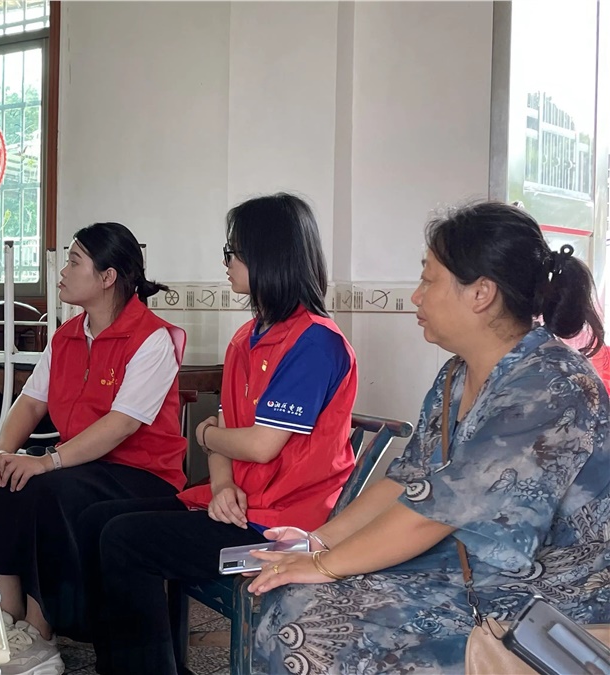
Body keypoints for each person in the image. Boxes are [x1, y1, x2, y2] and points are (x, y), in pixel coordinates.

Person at [246, 201, 610, 674]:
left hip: (552, 593)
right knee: (294, 598)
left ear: (481, 293)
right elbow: (409, 479)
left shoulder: (550, 384)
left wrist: (323, 566)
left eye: (429, 280)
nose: (416, 297)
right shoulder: (455, 376)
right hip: (470, 565)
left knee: (310, 619)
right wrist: (318, 543)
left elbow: (437, 513)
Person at [82, 193, 358, 675]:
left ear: (269, 256)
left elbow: (259, 444)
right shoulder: (245, 339)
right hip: (240, 505)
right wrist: (224, 484)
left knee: (126, 539)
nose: (226, 262)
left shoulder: (315, 341)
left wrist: (208, 436)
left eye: (233, 252)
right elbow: (231, 433)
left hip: (283, 527)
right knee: (95, 520)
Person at [0, 221, 188, 675]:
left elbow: (120, 426)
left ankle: (41, 636)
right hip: (80, 467)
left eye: (74, 261)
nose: (62, 271)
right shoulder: (68, 335)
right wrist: (1, 454)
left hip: (140, 475)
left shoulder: (152, 338)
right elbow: (30, 402)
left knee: (45, 491)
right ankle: (5, 621)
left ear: (107, 277)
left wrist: (48, 461)